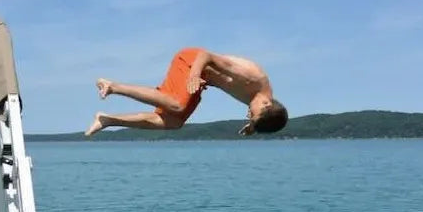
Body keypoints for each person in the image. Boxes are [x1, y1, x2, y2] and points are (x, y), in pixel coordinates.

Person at [84, 47, 288, 137]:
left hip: (202, 77)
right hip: (193, 61)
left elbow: (266, 116)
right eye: (252, 114)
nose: (248, 114)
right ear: (266, 104)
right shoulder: (252, 77)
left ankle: (108, 120)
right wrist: (194, 76)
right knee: (177, 104)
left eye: (250, 117)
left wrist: (254, 125)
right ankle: (112, 86)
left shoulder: (260, 101)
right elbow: (205, 55)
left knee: (174, 122)